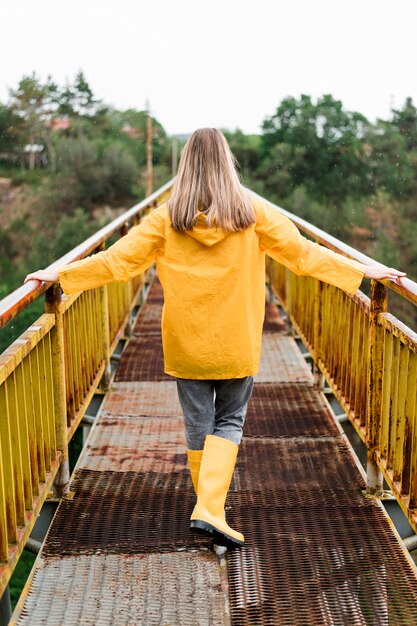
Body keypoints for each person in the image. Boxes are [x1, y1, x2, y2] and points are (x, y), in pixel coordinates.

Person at [24, 128, 406, 549]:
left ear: (186, 165)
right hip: (236, 340)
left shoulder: (166, 218)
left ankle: (211, 509)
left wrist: (61, 275)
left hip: (186, 341)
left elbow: (117, 262)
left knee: (198, 424)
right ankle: (209, 509)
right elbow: (303, 255)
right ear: (228, 163)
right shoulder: (252, 213)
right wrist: (361, 270)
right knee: (229, 421)